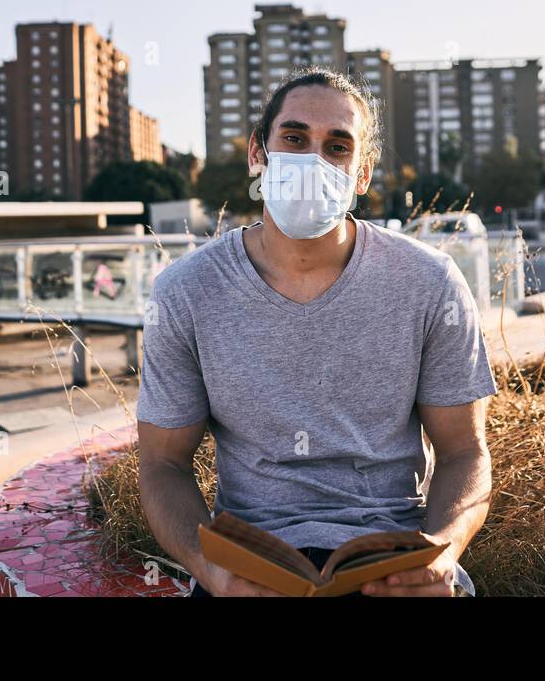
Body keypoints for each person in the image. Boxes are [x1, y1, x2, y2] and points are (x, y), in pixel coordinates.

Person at [136, 68, 497, 597]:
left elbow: (465, 451)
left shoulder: (429, 282)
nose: (312, 160)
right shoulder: (186, 292)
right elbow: (162, 464)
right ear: (258, 155)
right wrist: (209, 568)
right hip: (253, 565)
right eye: (295, 138)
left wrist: (441, 552)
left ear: (364, 173)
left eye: (337, 146)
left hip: (393, 564)